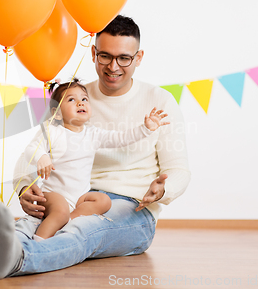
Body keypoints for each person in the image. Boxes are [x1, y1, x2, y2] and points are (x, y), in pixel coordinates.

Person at [0, 15, 190, 279]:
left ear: (138, 58)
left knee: (83, 229)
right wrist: (23, 186)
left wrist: (163, 190)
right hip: (70, 195)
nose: (113, 66)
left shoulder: (160, 102)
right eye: (105, 56)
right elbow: (35, 147)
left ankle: (17, 260)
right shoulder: (71, 96)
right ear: (94, 53)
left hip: (132, 209)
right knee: (30, 224)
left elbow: (178, 169)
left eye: (124, 58)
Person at [25, 78, 170, 240]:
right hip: (53, 194)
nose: (80, 103)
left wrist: (145, 129)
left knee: (103, 201)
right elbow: (31, 149)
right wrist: (42, 156)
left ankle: (70, 220)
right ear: (56, 113)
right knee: (60, 212)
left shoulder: (92, 134)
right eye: (71, 99)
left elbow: (121, 139)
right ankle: (37, 243)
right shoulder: (52, 131)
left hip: (80, 195)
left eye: (84, 99)